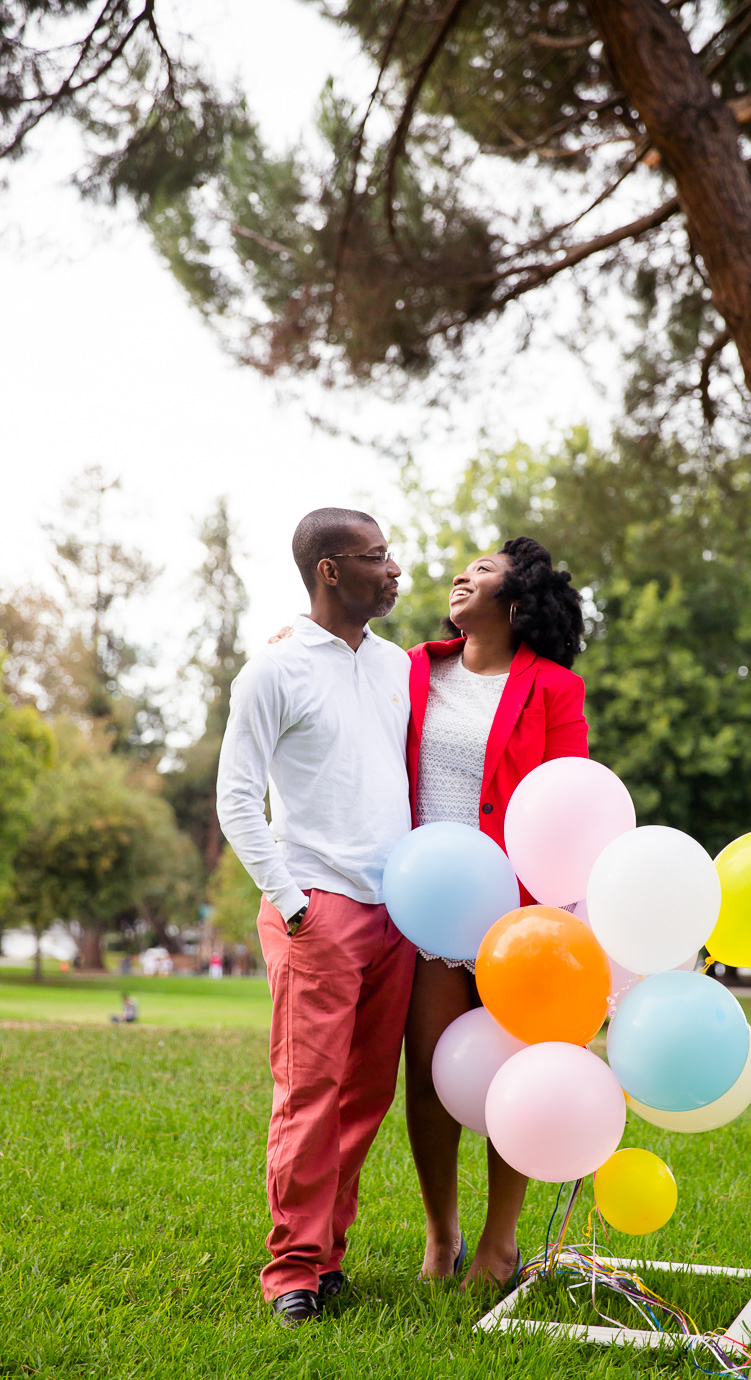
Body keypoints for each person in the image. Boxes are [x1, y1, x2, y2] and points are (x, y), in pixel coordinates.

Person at [216, 507, 415, 1328]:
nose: (393, 568)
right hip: (317, 906)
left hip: (397, 910)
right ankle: (291, 1271)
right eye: (376, 557)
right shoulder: (274, 671)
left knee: (366, 1095)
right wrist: (292, 902)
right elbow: (237, 797)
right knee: (310, 1093)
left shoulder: (403, 666)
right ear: (330, 569)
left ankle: (329, 1255)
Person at [404, 536, 589, 1288]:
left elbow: (569, 799)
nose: (462, 574)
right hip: (430, 907)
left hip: (518, 908)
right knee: (427, 1071)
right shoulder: (414, 666)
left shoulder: (552, 688)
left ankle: (499, 1243)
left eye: (482, 571)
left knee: (513, 1072)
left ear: (515, 605)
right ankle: (439, 1234)